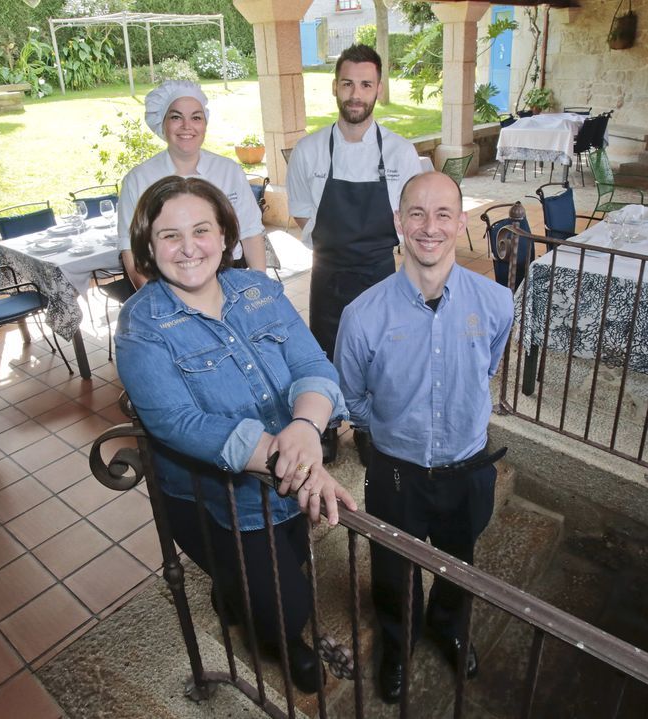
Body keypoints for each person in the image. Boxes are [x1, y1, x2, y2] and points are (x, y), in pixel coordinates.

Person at [115, 175, 357, 694]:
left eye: (201, 230)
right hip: (216, 500)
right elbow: (177, 423)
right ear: (149, 248)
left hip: (286, 478)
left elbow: (313, 364)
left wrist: (306, 428)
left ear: (225, 236)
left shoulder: (259, 290)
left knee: (290, 561)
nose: (188, 248)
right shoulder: (142, 325)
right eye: (170, 236)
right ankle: (282, 640)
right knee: (285, 603)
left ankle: (239, 595)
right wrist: (286, 455)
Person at [333, 171, 514, 704]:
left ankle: (449, 626)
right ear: (398, 223)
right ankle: (400, 640)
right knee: (393, 568)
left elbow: (487, 368)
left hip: (468, 467)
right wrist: (394, 429)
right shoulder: (362, 316)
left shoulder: (497, 303)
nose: (429, 227)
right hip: (395, 472)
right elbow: (352, 398)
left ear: (461, 222)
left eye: (442, 215)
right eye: (416, 213)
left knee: (460, 559)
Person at [287, 44, 422, 460]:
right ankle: (326, 425)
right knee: (323, 351)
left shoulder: (400, 153)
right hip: (327, 272)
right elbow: (300, 215)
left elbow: (412, 218)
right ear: (334, 87)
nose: (356, 94)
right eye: (348, 83)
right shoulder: (309, 151)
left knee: (379, 353)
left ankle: (367, 426)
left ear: (378, 89)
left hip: (380, 271)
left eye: (365, 84)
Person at [117, 80, 266, 290]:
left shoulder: (229, 171)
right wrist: (158, 304)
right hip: (168, 286)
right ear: (162, 123)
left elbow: (251, 234)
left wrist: (260, 290)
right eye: (176, 117)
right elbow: (131, 252)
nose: (187, 126)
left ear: (205, 123)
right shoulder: (138, 180)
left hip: (230, 279)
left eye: (196, 117)